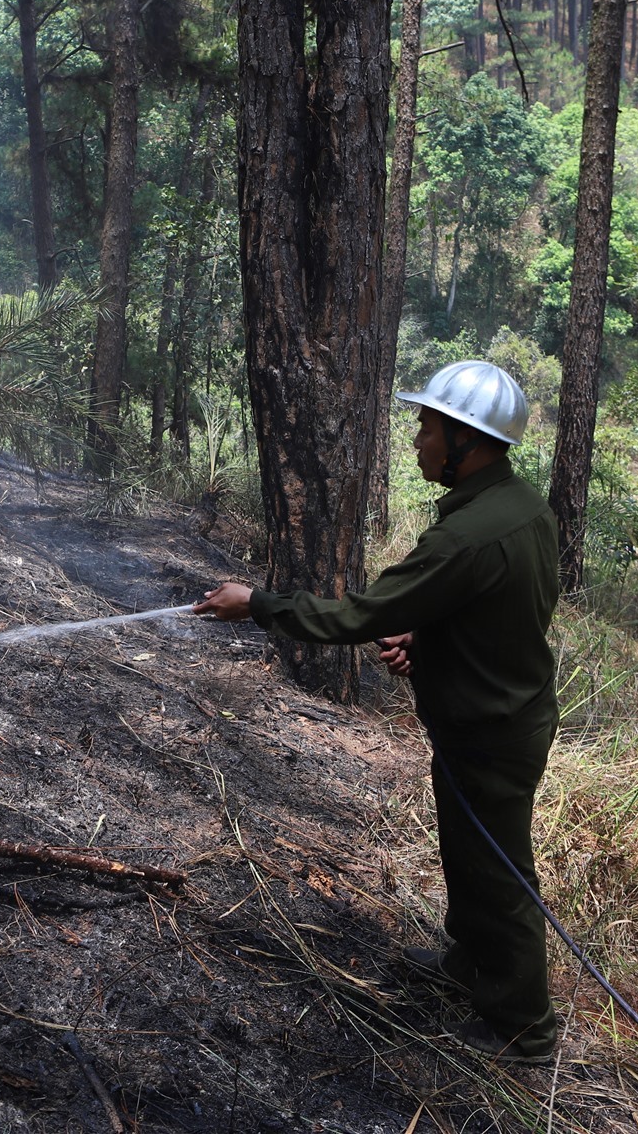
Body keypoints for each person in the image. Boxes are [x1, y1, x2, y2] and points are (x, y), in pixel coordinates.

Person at [195, 360, 560, 1062]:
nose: (417, 440)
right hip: (495, 714)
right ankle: (471, 964)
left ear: (465, 439)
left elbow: (357, 616)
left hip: (491, 730)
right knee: (469, 852)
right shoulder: (519, 508)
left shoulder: (467, 535)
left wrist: (257, 604)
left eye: (426, 427)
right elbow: (501, 608)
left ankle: (524, 1026)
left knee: (499, 874)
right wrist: (429, 636)